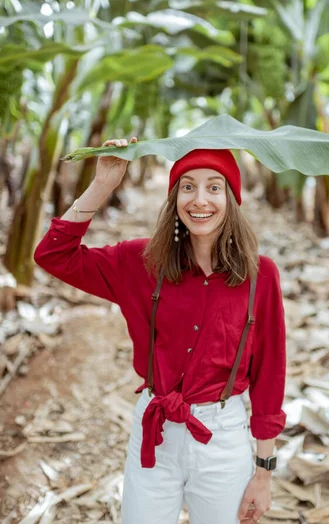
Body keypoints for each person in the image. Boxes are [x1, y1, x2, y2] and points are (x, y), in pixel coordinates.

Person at [34, 136, 287, 524]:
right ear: (174, 198)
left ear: (231, 200)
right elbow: (53, 254)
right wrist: (103, 183)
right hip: (155, 430)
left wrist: (264, 472)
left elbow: (270, 375)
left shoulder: (259, 276)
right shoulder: (140, 263)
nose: (199, 200)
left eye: (213, 187)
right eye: (188, 187)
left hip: (222, 436)